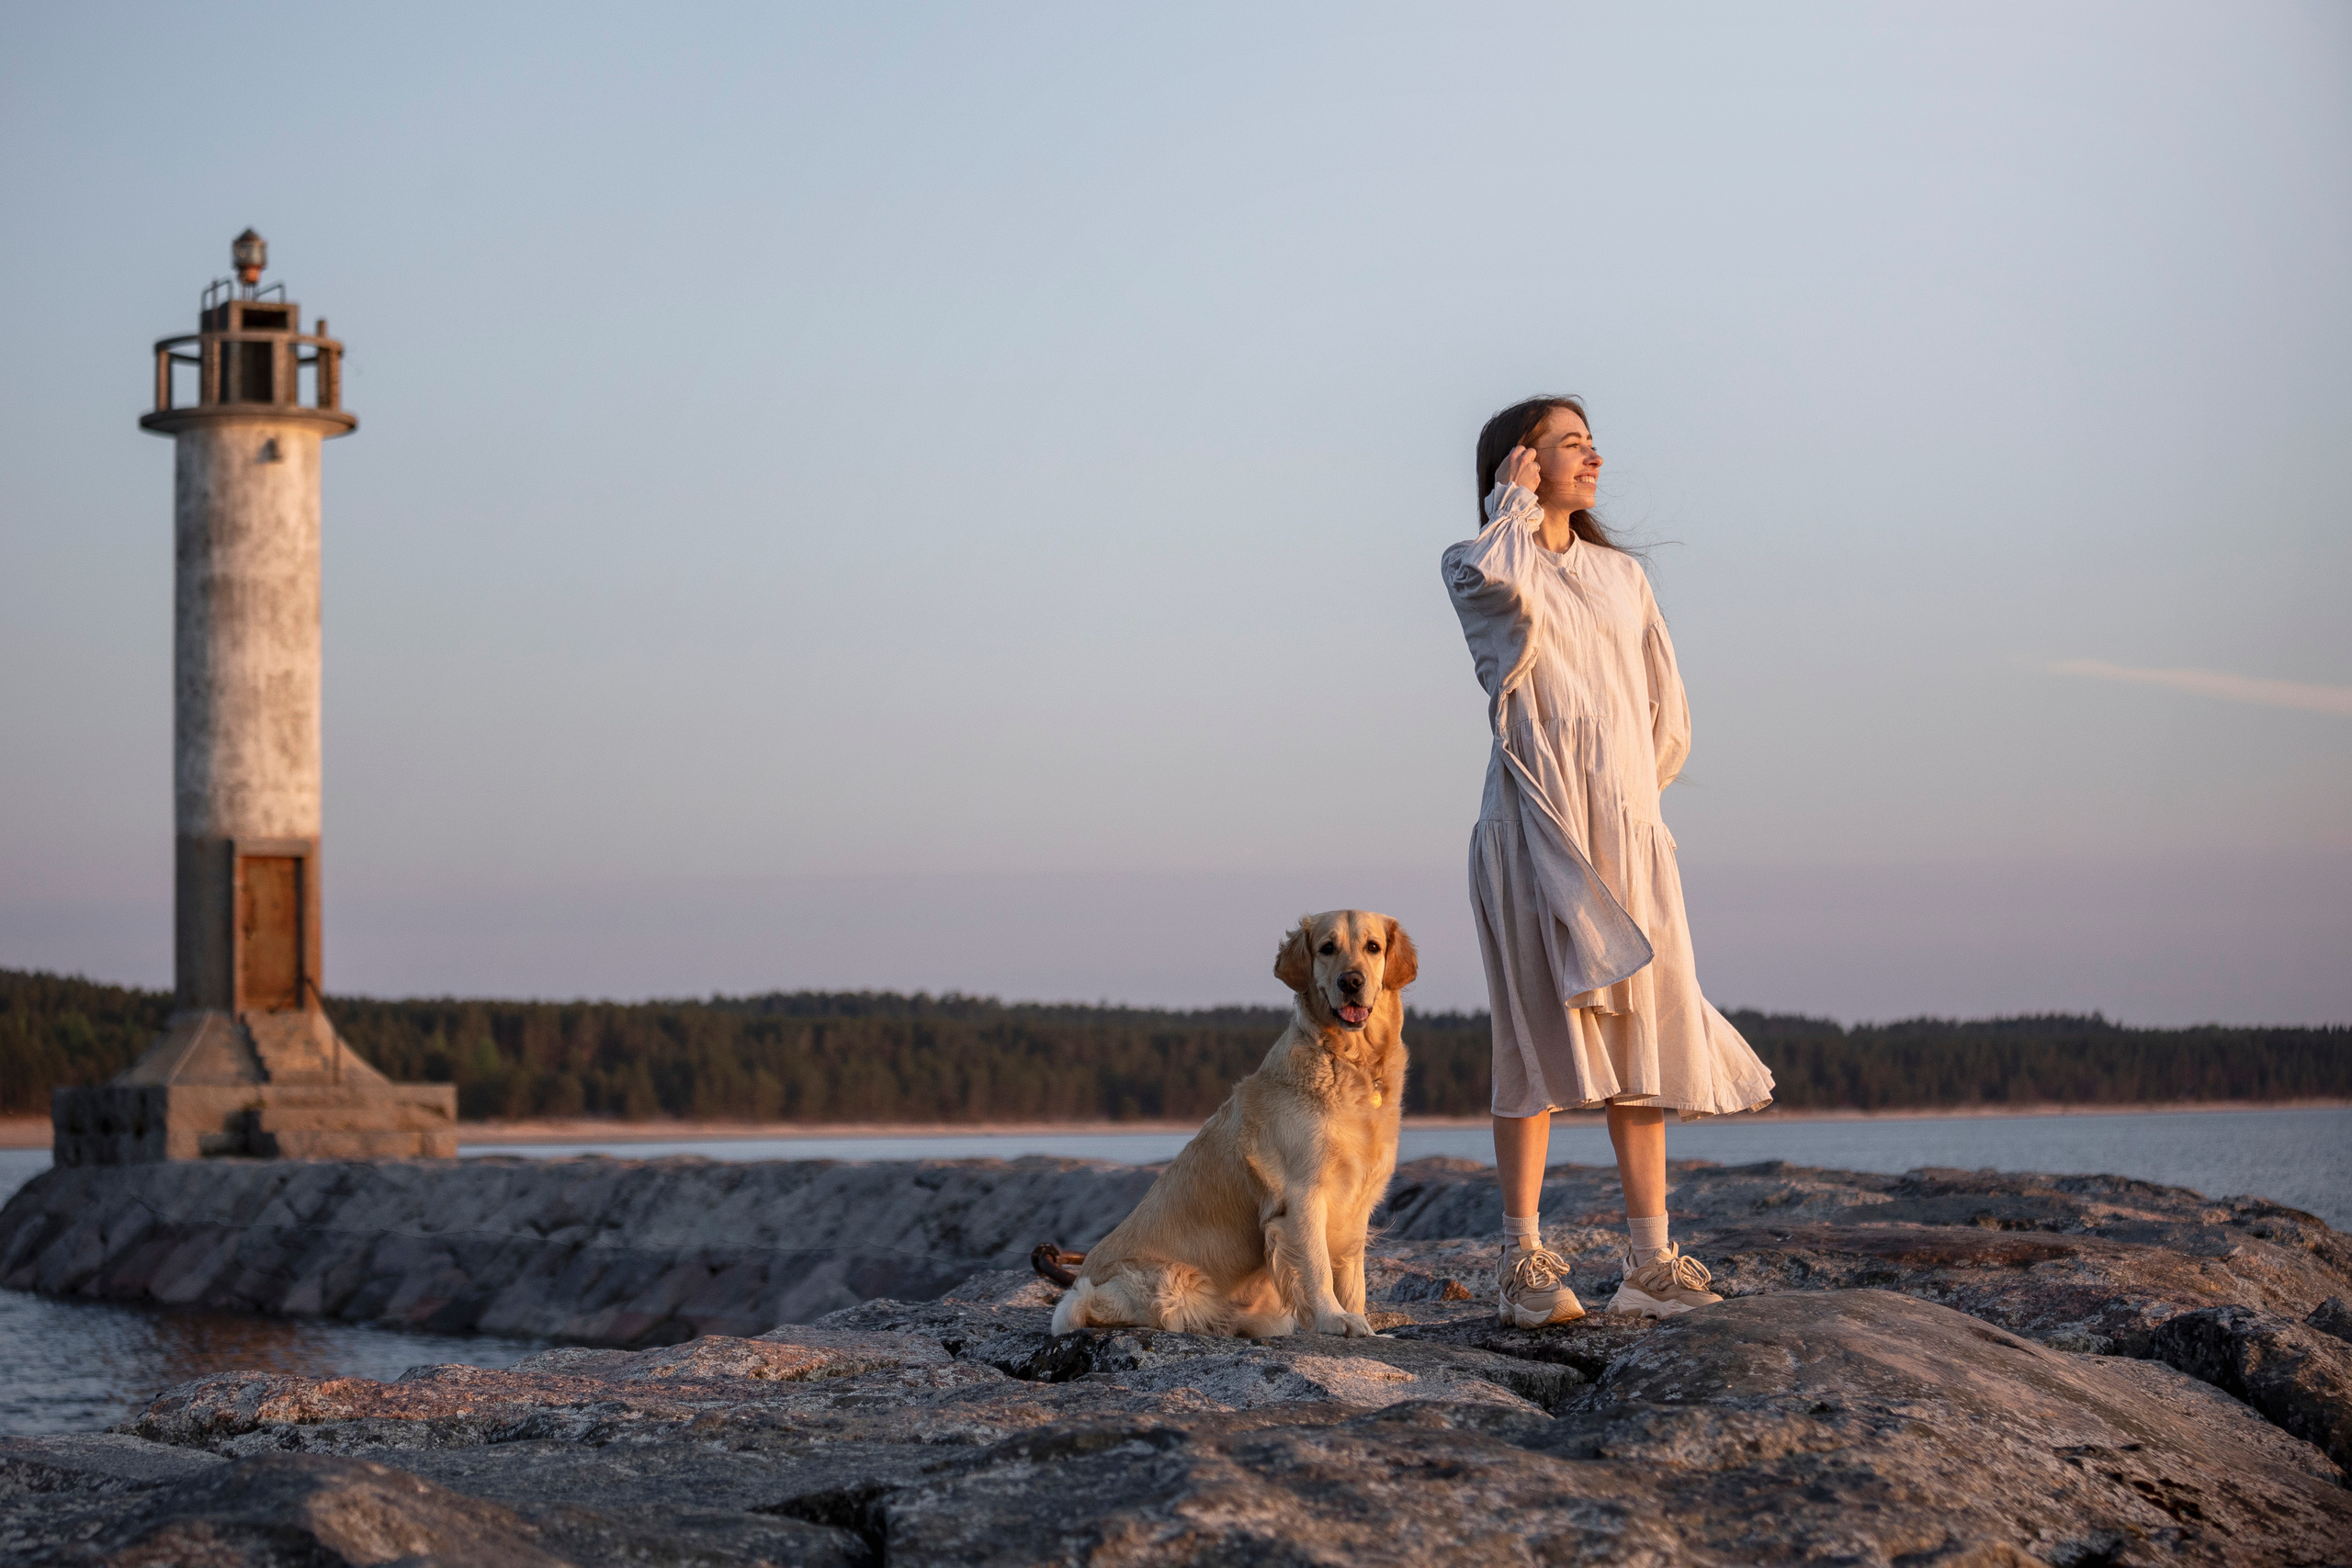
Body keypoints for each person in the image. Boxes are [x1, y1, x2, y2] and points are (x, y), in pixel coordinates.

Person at [1442, 395, 1776, 1325]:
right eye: (1569, 446)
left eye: (1592, 445)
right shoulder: (1476, 559)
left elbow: (1667, 713)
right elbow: (1494, 603)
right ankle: (1522, 1264)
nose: (1592, 460)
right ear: (1520, 462)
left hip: (1624, 830)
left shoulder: (1622, 579)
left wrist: (1628, 800)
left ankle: (1650, 1261)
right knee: (1529, 1037)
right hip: (1533, 825)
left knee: (1647, 1034)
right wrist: (1510, 509)